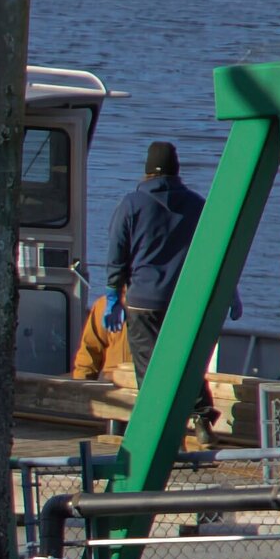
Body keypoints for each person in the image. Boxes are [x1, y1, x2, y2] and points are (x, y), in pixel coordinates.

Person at [105, 140, 205, 380]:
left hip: (143, 301)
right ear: (177, 169)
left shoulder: (131, 204)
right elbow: (212, 252)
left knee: (150, 372)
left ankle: (155, 415)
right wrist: (229, 291)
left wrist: (112, 292)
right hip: (184, 300)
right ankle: (202, 414)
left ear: (147, 170)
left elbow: (117, 251)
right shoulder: (198, 204)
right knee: (185, 364)